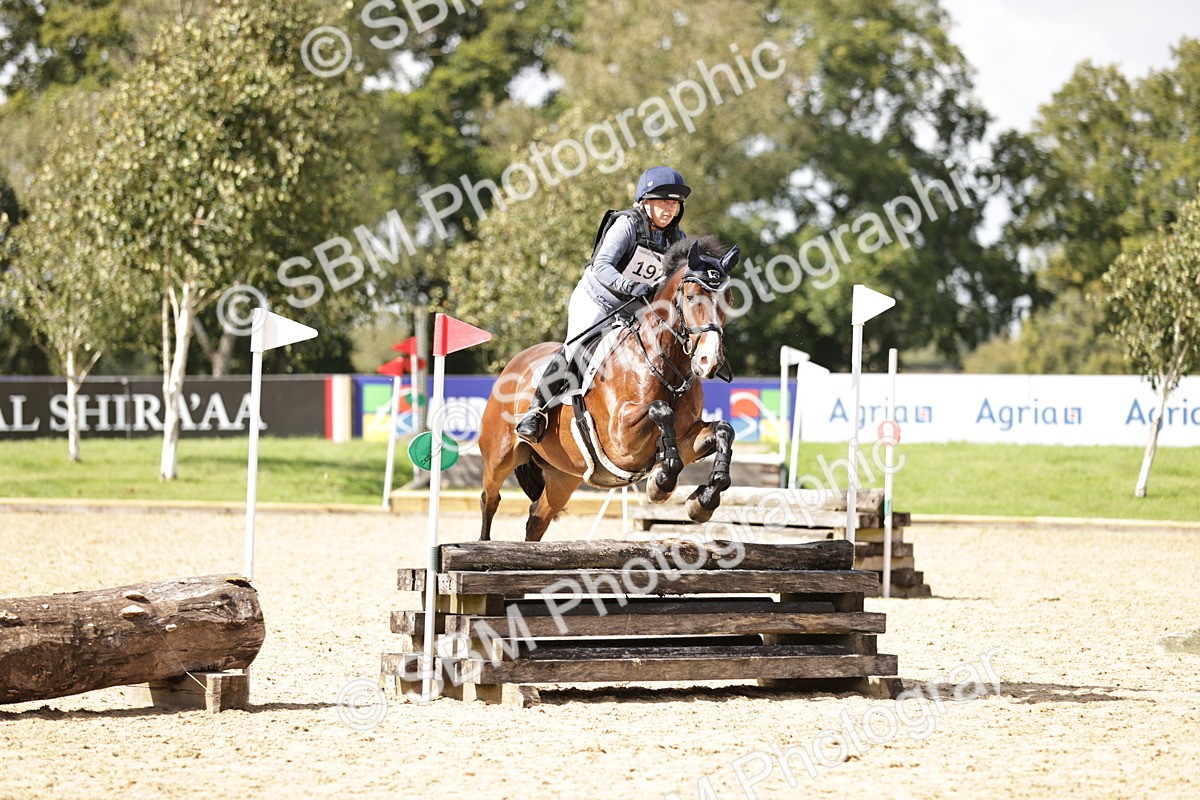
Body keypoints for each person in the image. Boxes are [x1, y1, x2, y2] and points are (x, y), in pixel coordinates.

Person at [515, 166, 691, 444]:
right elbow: (602, 265)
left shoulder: (677, 239)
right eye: (662, 201)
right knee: (576, 348)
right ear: (645, 202)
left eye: (674, 203)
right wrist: (629, 286)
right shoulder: (627, 225)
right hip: (598, 299)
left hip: (635, 309)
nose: (669, 209)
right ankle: (535, 412)